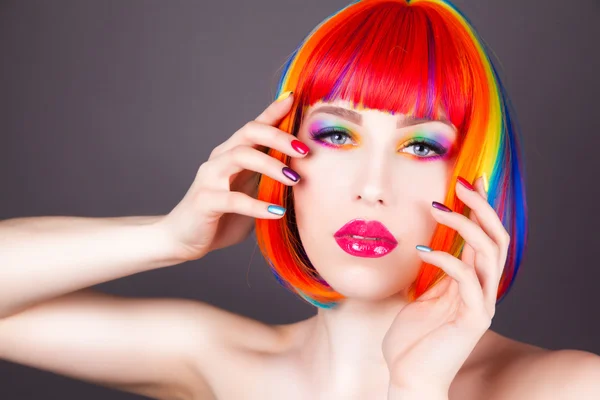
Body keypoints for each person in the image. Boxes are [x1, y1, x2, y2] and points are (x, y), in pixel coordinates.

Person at [1, 0, 599, 399]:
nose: (372, 185)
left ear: (476, 175)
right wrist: (167, 238)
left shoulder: (571, 388)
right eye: (337, 135)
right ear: (282, 155)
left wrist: (416, 391)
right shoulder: (222, 362)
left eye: (421, 147)